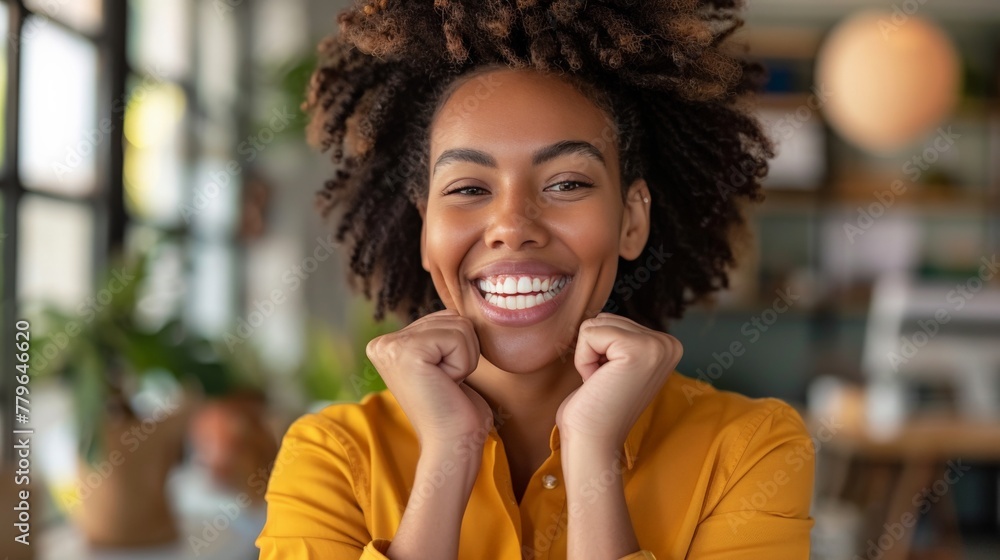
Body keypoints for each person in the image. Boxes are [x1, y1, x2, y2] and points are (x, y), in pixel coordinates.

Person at [256, 1, 815, 558]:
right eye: (469, 189)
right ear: (426, 230)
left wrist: (593, 453)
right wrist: (449, 454)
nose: (512, 227)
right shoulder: (333, 457)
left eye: (567, 183)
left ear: (631, 220)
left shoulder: (748, 449)